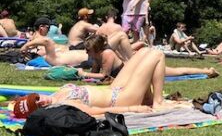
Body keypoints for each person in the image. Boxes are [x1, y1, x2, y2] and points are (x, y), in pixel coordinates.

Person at [13, 47, 170, 118]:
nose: (42, 101)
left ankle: (149, 98)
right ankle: (158, 102)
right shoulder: (63, 105)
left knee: (144, 51)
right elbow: (94, 111)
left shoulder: (55, 95)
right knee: (157, 54)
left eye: (37, 98)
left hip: (114, 88)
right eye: (39, 106)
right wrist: (132, 109)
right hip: (121, 98)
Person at [81, 33, 219, 80]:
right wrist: (86, 75)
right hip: (136, 70)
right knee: (174, 71)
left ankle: (207, 71)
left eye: (88, 50)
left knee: (176, 72)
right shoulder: (97, 57)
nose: (86, 53)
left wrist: (83, 74)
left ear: (96, 49)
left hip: (140, 69)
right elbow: (94, 74)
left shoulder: (107, 54)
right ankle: (206, 71)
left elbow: (103, 75)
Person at [20, 17, 90, 67]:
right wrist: (26, 46)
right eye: (48, 27)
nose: (49, 30)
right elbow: (44, 46)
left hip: (69, 52)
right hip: (66, 54)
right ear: (41, 27)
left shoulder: (35, 39)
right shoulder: (40, 39)